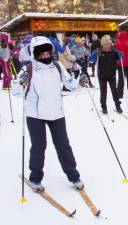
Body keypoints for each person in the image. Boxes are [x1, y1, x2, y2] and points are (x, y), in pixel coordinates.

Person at [12, 36, 88, 192]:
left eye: (48, 53)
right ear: (35, 54)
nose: (45, 57)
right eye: (42, 54)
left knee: (63, 145)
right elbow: (17, 93)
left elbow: (70, 84)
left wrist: (80, 82)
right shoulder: (28, 69)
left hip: (56, 113)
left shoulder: (57, 66)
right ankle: (36, 178)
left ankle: (73, 175)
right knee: (39, 146)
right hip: (35, 114)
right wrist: (21, 82)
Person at [89, 35, 123, 114]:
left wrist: (121, 55)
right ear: (102, 45)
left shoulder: (115, 51)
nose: (106, 47)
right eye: (104, 45)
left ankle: (118, 106)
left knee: (114, 91)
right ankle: (104, 107)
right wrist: (94, 54)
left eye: (108, 45)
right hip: (102, 75)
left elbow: (121, 59)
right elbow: (92, 59)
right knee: (103, 92)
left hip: (112, 74)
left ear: (110, 44)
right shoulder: (99, 51)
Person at [115, 31, 128, 99]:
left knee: (121, 79)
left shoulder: (117, 44)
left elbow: (116, 54)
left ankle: (119, 94)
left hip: (120, 63)